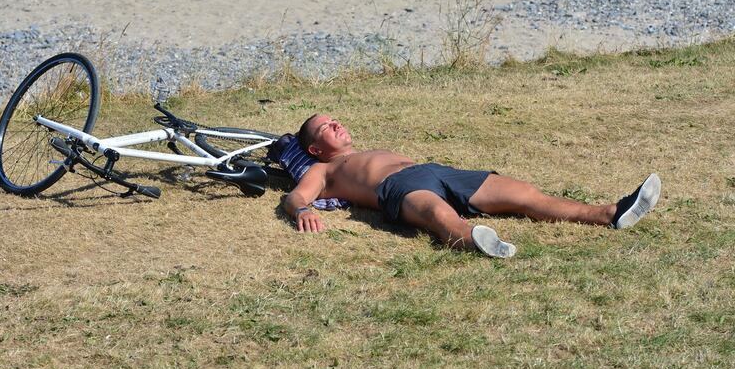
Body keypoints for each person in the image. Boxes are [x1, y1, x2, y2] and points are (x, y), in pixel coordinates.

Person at [283, 114, 662, 258]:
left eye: (334, 119)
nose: (336, 125)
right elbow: (297, 195)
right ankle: (471, 239)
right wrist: (302, 209)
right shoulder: (323, 170)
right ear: (315, 147)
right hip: (396, 188)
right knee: (435, 214)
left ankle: (610, 213)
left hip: (437, 170)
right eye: (325, 128)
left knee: (524, 194)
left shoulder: (361, 151)